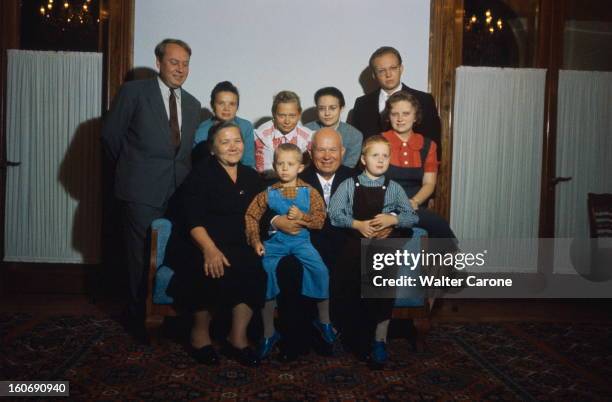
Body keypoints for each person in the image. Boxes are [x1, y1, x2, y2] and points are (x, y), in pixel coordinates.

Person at [101, 38, 201, 329]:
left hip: (179, 191)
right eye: (174, 62)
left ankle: (171, 313)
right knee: (141, 255)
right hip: (140, 189)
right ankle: (137, 318)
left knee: (177, 251)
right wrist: (134, 169)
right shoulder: (134, 92)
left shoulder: (193, 104)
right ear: (158, 63)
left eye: (185, 64)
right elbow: (110, 136)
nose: (180, 69)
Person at [164, 121, 266, 367]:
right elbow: (192, 220)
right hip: (200, 242)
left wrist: (257, 240)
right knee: (208, 268)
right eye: (225, 142)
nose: (233, 147)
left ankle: (237, 338)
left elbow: (260, 214)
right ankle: (200, 336)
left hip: (238, 243)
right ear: (212, 148)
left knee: (253, 268)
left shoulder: (252, 177)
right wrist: (209, 250)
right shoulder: (200, 175)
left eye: (237, 141)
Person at [328, 135, 418, 369]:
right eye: (374, 155)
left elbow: (412, 217)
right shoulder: (350, 185)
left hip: (382, 246)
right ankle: (346, 335)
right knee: (347, 282)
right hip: (355, 242)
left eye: (385, 156)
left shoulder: (394, 188)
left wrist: (393, 219)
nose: (380, 160)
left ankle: (379, 339)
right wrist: (358, 225)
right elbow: (335, 214)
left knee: (382, 286)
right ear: (363, 159)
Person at [245, 143, 338, 359]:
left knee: (320, 270)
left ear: (300, 167)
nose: (284, 168)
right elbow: (251, 216)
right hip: (275, 243)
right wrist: (255, 240)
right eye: (280, 164)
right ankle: (269, 332)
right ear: (275, 166)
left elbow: (320, 220)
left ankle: (324, 320)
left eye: (290, 164)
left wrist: (302, 218)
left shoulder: (310, 191)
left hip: (301, 243)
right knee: (265, 273)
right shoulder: (268, 193)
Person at [268, 128, 354, 360]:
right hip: (303, 243)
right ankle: (295, 340)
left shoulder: (354, 178)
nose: (327, 156)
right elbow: (268, 205)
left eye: (332, 150)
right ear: (310, 151)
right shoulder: (296, 176)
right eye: (321, 149)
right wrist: (276, 221)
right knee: (290, 267)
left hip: (343, 245)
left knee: (352, 263)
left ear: (343, 152)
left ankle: (343, 335)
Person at [381, 91, 456, 242]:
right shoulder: (379, 141)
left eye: (406, 113)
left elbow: (429, 183)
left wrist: (413, 202)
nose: (400, 119)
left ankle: (448, 264)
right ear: (389, 117)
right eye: (395, 114)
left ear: (415, 116)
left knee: (439, 225)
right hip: (385, 204)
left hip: (415, 205)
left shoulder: (429, 145)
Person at [351, 46, 441, 157]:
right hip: (371, 172)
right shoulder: (362, 104)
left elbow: (434, 146)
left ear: (401, 68)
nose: (388, 75)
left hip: (413, 171)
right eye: (381, 71)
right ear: (374, 75)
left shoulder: (424, 100)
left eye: (393, 68)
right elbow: (355, 147)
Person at [192, 81, 256, 168]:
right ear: (212, 105)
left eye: (232, 104)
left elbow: (248, 162)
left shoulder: (245, 127)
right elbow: (198, 163)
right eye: (221, 103)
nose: (226, 108)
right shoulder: (202, 130)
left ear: (237, 107)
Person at [255, 91, 314, 177]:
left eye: (292, 116)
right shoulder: (262, 134)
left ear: (299, 114)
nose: (287, 121)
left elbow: (307, 170)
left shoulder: (308, 136)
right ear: (274, 114)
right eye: (282, 116)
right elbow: (265, 171)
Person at [306, 87, 363, 168]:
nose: (327, 113)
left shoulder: (354, 135)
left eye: (332, 108)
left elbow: (349, 167)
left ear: (341, 108)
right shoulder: (305, 130)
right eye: (321, 108)